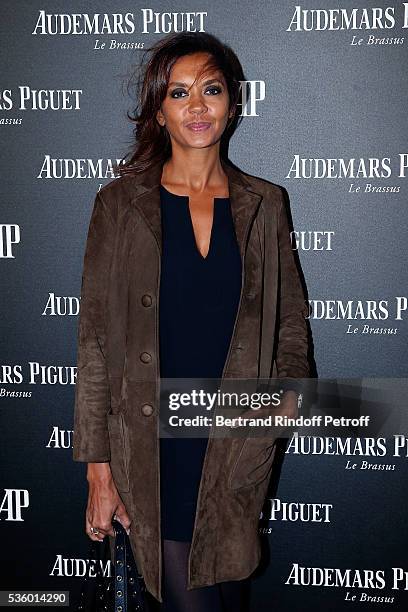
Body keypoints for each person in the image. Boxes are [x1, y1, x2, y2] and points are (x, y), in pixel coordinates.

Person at [73, 31, 309, 612]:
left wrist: (278, 413)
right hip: (153, 455)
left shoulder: (266, 203)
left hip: (234, 448)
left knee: (226, 597)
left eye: (211, 90)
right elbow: (97, 343)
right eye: (180, 93)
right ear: (159, 110)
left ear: (233, 102)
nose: (197, 107)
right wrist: (99, 474)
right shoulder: (119, 207)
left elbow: (291, 325)